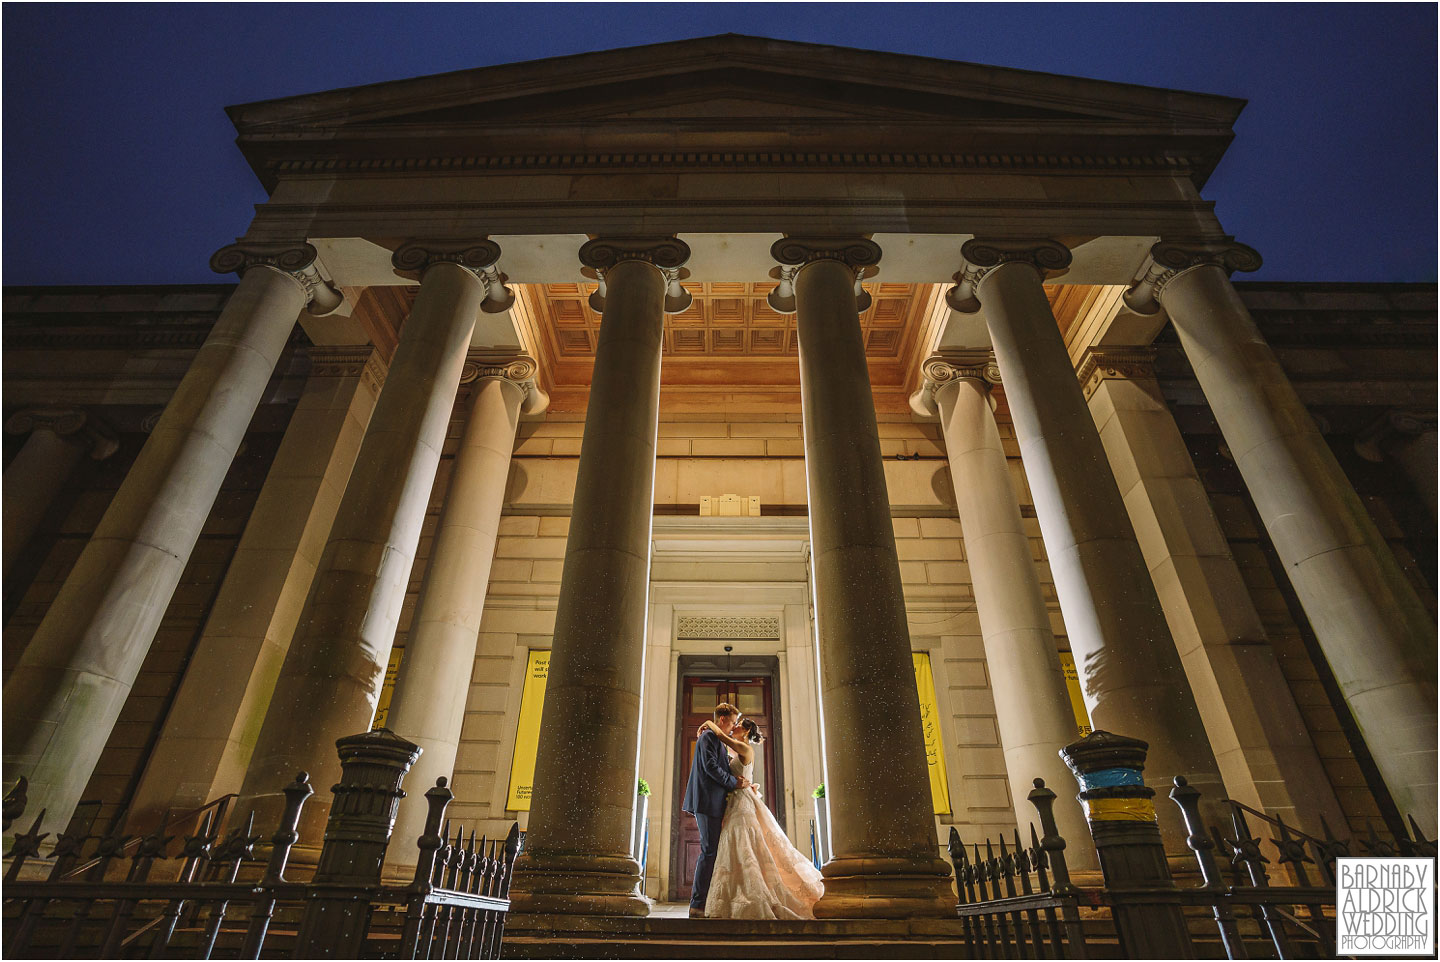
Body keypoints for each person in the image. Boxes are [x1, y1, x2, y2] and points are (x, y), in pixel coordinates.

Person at [698, 715, 825, 919]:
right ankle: (735, 895)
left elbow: (721, 735)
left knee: (743, 843)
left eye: (738, 726)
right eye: (735, 724)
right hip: (736, 801)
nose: (735, 727)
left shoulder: (745, 749)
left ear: (746, 731)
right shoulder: (738, 749)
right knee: (737, 846)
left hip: (742, 803)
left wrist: (708, 723)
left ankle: (751, 896)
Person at [681, 702, 751, 919]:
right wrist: (733, 782)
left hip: (713, 801)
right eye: (731, 722)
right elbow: (710, 767)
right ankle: (697, 905)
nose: (732, 726)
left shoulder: (717, 738)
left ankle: (705, 902)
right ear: (722, 719)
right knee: (709, 851)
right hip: (707, 801)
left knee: (712, 851)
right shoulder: (709, 738)